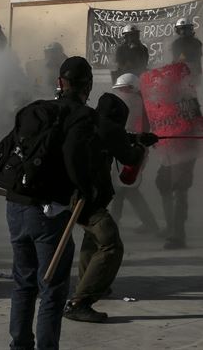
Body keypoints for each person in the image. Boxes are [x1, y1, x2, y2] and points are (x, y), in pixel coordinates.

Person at [2, 56, 97, 349]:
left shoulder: (35, 110)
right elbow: (74, 158)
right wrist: (85, 188)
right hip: (48, 211)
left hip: (15, 204)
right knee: (53, 287)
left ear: (59, 83)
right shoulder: (81, 115)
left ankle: (19, 344)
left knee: (24, 282)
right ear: (88, 85)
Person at [64, 92, 158, 322]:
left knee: (92, 242)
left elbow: (119, 139)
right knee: (110, 244)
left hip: (75, 198)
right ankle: (80, 302)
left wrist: (136, 138)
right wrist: (141, 147)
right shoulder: (108, 131)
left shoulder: (88, 125)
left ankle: (93, 283)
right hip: (86, 200)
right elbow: (129, 157)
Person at [109, 73, 160, 235]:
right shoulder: (141, 102)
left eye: (123, 89)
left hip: (129, 150)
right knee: (127, 189)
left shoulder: (132, 101)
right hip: (136, 149)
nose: (121, 92)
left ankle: (113, 226)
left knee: (121, 188)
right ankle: (150, 224)